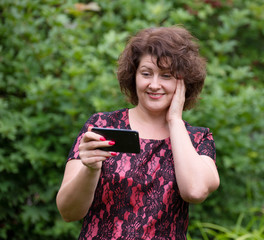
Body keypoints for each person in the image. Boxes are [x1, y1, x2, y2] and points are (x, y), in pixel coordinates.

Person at [56, 25, 220, 239]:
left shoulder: (198, 139)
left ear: (184, 82)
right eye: (146, 73)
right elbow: (68, 213)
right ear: (133, 77)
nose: (154, 84)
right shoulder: (103, 125)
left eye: (166, 75)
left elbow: (195, 191)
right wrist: (90, 168)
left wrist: (174, 120)